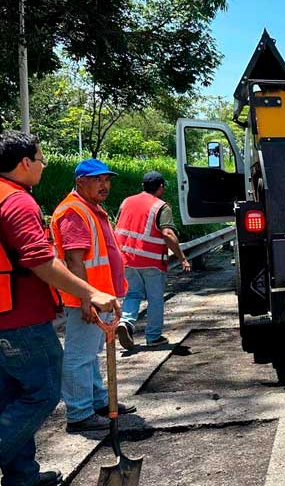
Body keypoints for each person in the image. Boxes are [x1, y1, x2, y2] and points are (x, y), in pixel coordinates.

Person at [0, 131, 119, 486]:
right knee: (44, 390)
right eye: (40, 159)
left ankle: (23, 478)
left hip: (6, 315)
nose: (42, 165)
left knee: (11, 397)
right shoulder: (18, 201)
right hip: (20, 318)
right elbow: (41, 260)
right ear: (25, 163)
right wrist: (91, 294)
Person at [50, 159, 136, 432]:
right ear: (80, 182)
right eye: (98, 179)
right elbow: (75, 260)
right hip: (89, 300)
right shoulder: (75, 211)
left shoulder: (91, 209)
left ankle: (100, 401)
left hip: (100, 297)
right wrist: (87, 300)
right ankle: (79, 414)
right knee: (80, 356)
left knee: (92, 353)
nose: (104, 185)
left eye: (107, 180)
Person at [115, 171, 190, 351]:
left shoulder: (126, 201)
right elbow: (168, 233)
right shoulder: (161, 207)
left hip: (125, 259)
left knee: (132, 294)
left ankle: (126, 323)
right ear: (161, 187)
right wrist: (182, 258)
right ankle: (153, 336)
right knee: (155, 299)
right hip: (151, 261)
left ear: (143, 186)